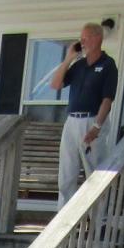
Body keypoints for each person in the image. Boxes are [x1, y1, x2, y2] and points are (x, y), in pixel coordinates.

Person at [48, 23, 119, 205]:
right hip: (72, 121)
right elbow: (55, 85)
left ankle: (97, 221)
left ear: (97, 39)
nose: (82, 42)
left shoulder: (108, 65)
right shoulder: (78, 65)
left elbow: (107, 100)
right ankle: (63, 219)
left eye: (86, 38)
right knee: (67, 172)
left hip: (92, 120)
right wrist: (68, 59)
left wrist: (97, 126)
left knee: (94, 172)